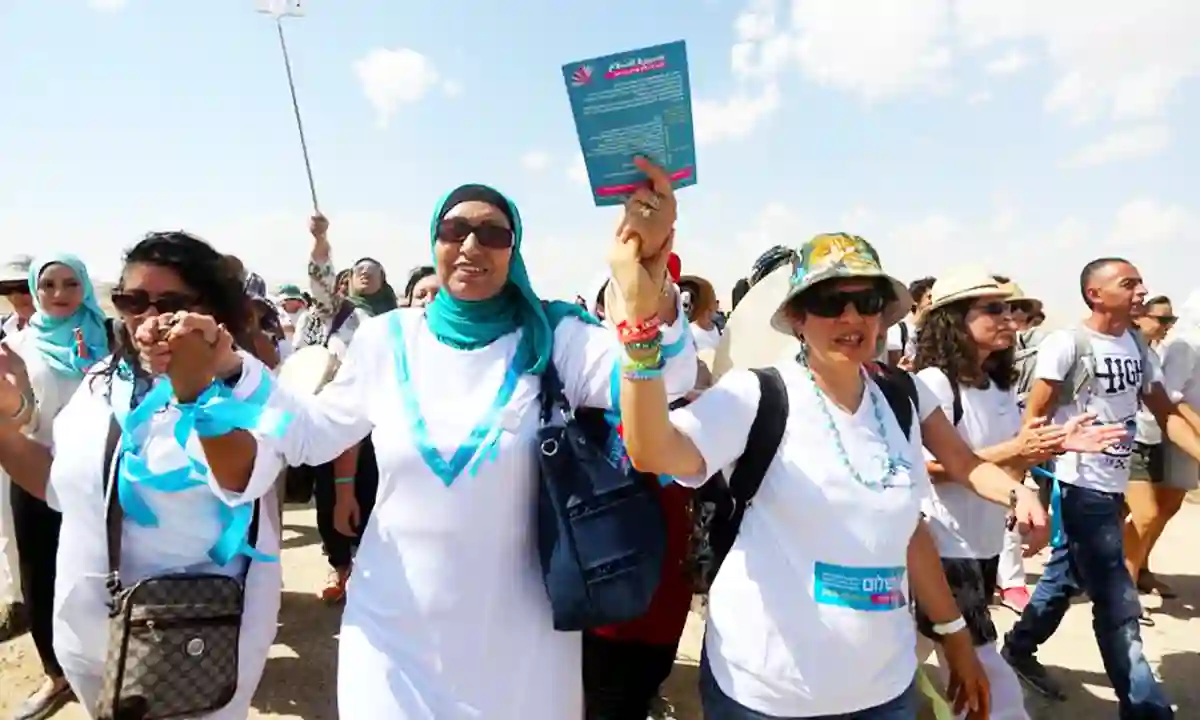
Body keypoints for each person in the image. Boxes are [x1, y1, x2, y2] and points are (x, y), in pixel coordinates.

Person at [154, 160, 697, 718]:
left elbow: (673, 376)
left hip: (519, 644)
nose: (471, 245)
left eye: (492, 233)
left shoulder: (553, 337)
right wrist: (231, 367)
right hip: (392, 635)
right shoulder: (387, 338)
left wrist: (650, 270)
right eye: (454, 230)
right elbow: (312, 436)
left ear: (514, 249)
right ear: (434, 240)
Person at [617, 230, 1055, 718]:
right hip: (769, 692)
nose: (851, 317)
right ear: (797, 318)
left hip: (883, 690)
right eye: (829, 302)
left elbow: (933, 502)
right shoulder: (755, 395)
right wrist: (639, 337)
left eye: (867, 302)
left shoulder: (903, 397)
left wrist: (1017, 499)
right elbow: (652, 451)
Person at [0, 232, 284, 720]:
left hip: (189, 642)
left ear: (211, 309)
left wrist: (194, 390)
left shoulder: (245, 384)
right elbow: (58, 483)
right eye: (132, 302)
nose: (148, 319)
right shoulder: (103, 381)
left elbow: (245, 477)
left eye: (170, 304)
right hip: (92, 641)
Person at [911, 269, 1122, 720]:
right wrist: (1018, 451)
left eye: (1010, 309)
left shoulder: (999, 385)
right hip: (945, 547)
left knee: (902, 658)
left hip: (983, 543)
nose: (1008, 318)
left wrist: (1046, 454)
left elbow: (1004, 465)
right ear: (953, 319)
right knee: (987, 676)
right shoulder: (933, 383)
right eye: (993, 309)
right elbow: (930, 467)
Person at [1003, 258, 1200, 717]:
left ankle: (1018, 646)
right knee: (1116, 601)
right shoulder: (1067, 344)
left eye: (1141, 283)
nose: (1141, 291)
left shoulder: (1136, 344)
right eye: (1129, 284)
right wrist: (1023, 484)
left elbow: (1165, 412)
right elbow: (1034, 420)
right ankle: (1145, 708)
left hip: (1113, 484)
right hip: (1080, 486)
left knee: (1064, 575)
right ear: (1095, 294)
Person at [2, 254, 111, 720]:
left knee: (107, 571)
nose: (59, 293)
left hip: (102, 473)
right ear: (35, 289)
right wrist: (18, 392)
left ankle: (115, 667)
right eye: (48, 284)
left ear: (84, 286)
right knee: (40, 576)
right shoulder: (16, 346)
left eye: (70, 283)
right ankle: (55, 674)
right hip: (37, 471)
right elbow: (21, 419)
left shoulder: (111, 339)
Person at [1127, 295, 1192, 603]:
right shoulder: (1124, 350)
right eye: (1162, 320)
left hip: (1152, 440)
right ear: (1139, 317)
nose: (1168, 326)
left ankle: (1130, 576)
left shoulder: (1151, 355)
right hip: (1127, 441)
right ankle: (1123, 592)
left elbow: (1164, 408)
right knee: (1145, 515)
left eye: (1171, 320)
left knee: (1137, 517)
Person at [0, 254, 34, 643]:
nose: (18, 296)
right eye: (8, 289)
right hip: (10, 438)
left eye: (23, 286)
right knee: (7, 525)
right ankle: (18, 602)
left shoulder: (72, 331)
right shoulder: (5, 332)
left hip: (49, 443)